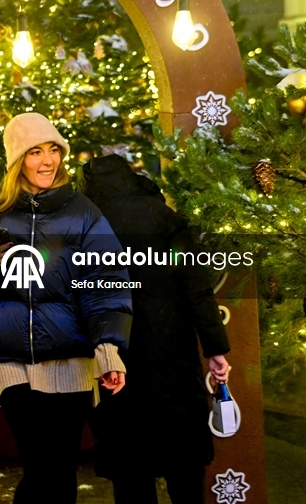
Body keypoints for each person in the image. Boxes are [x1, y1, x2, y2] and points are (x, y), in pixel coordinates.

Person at [0, 112, 133, 504]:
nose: (47, 161)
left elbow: (107, 284)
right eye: (35, 151)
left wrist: (109, 350)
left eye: (54, 150)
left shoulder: (84, 213)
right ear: (16, 160)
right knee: (43, 465)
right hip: (11, 363)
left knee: (58, 473)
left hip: (72, 364)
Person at [82, 154, 231, 504]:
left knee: (130, 469)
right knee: (184, 466)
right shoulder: (164, 217)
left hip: (115, 360)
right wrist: (215, 348)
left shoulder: (86, 224)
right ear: (130, 178)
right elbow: (195, 288)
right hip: (172, 356)